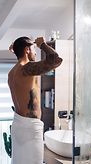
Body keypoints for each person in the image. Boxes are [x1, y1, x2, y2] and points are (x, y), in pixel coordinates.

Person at [8, 36, 62, 164]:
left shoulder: (12, 72)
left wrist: (17, 48)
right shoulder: (26, 69)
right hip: (30, 127)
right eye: (33, 48)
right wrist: (42, 44)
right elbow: (56, 60)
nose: (36, 52)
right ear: (27, 50)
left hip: (18, 124)